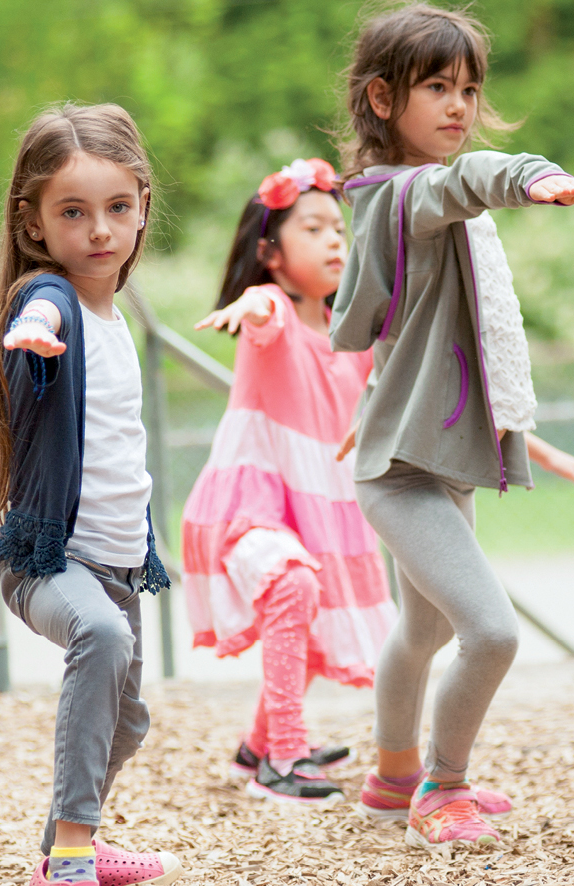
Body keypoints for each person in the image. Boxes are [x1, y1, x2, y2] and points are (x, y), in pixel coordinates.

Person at [329, 3, 574, 849]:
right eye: (436, 87)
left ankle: (391, 780)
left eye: (467, 88)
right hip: (403, 475)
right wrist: (530, 175)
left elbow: (453, 355)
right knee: (490, 633)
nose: (458, 105)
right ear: (383, 99)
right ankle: (441, 787)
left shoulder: (425, 205)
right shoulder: (407, 194)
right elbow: (466, 180)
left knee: (422, 630)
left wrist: (531, 440)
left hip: (435, 457)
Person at [0, 104, 181, 886]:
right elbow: (40, 311)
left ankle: (64, 844)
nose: (99, 229)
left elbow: (20, 433)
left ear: (143, 207)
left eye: (117, 207)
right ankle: (72, 857)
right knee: (103, 636)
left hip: (121, 561)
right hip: (49, 561)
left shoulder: (115, 316)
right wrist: (34, 332)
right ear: (33, 223)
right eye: (73, 212)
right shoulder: (48, 298)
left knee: (128, 722)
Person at [180, 158, 396, 806]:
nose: (334, 240)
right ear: (270, 253)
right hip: (250, 503)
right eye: (313, 228)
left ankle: (258, 746)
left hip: (318, 509)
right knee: (293, 584)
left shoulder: (352, 337)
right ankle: (284, 756)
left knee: (310, 611)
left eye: (339, 228)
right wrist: (247, 303)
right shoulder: (272, 311)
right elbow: (262, 307)